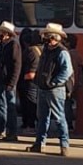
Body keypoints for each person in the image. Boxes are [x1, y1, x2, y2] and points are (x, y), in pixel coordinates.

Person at [28, 23, 73, 156]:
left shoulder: (62, 52)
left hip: (55, 89)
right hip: (43, 88)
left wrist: (54, 82)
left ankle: (64, 145)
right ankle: (39, 143)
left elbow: (67, 71)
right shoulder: (46, 50)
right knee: (42, 118)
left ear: (56, 38)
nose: (46, 38)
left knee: (59, 118)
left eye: (49, 36)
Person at [0, 21, 21, 141]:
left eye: (2, 32)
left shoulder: (13, 45)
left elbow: (16, 66)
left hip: (8, 82)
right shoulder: (1, 45)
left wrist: (12, 83)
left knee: (10, 108)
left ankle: (12, 132)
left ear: (8, 34)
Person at [18, 27, 41, 133]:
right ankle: (29, 123)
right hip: (35, 80)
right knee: (32, 103)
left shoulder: (30, 51)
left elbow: (28, 69)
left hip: (28, 80)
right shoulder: (41, 49)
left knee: (29, 103)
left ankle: (29, 124)